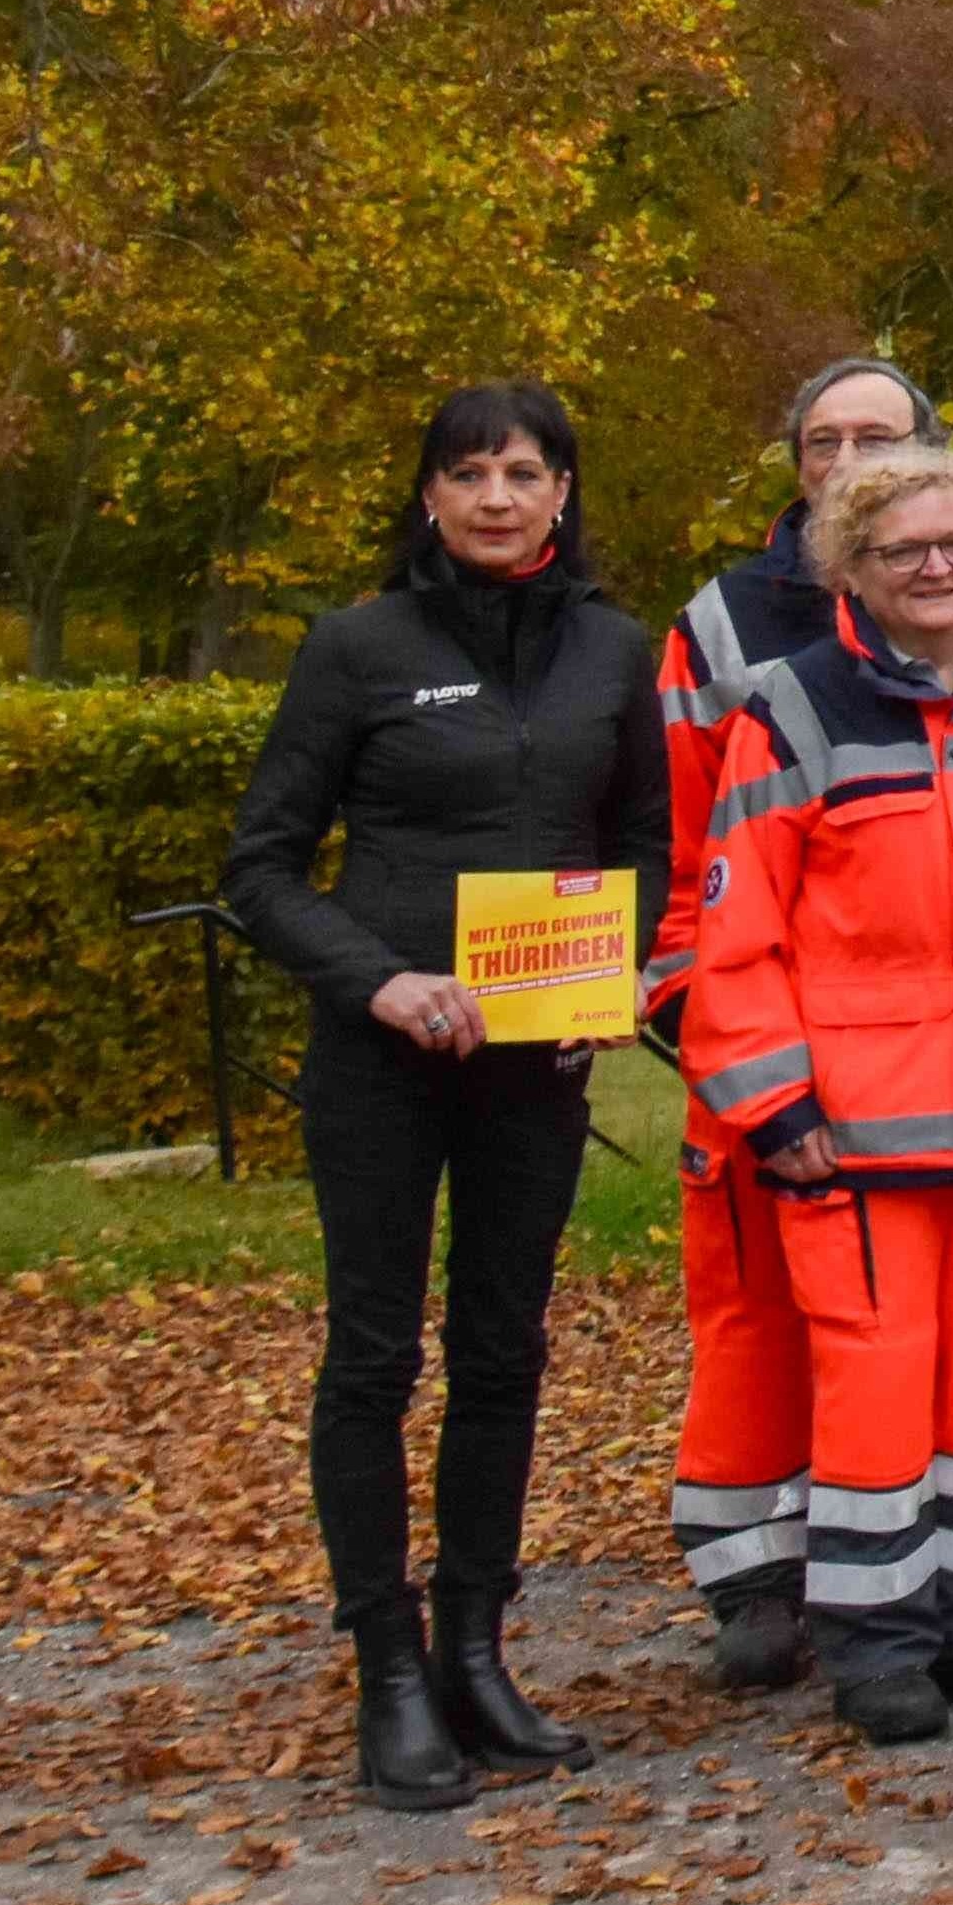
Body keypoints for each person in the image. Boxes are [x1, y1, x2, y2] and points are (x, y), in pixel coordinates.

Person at [221, 381, 660, 1808]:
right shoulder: (356, 646)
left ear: (560, 490)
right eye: (466, 471)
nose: (494, 495)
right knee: (371, 1356)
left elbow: (646, 839)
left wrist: (611, 976)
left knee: (504, 1349)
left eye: (522, 470)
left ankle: (477, 1646)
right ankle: (389, 1670)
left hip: (538, 1058)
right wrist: (376, 980)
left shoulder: (612, 648)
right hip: (384, 1055)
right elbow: (263, 865)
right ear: (428, 493)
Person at [678, 442, 953, 1739]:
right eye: (902, 549)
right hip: (860, 1136)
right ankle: (876, 1639)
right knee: (877, 1394)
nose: (936, 567)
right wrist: (777, 1107)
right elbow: (738, 937)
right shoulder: (795, 708)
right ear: (850, 571)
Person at [650, 356, 953, 1691]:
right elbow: (686, 841)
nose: (853, 451)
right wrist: (725, 1039)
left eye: (884, 433)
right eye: (827, 436)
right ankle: (761, 1575)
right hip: (793, 1051)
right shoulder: (732, 633)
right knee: (765, 1324)